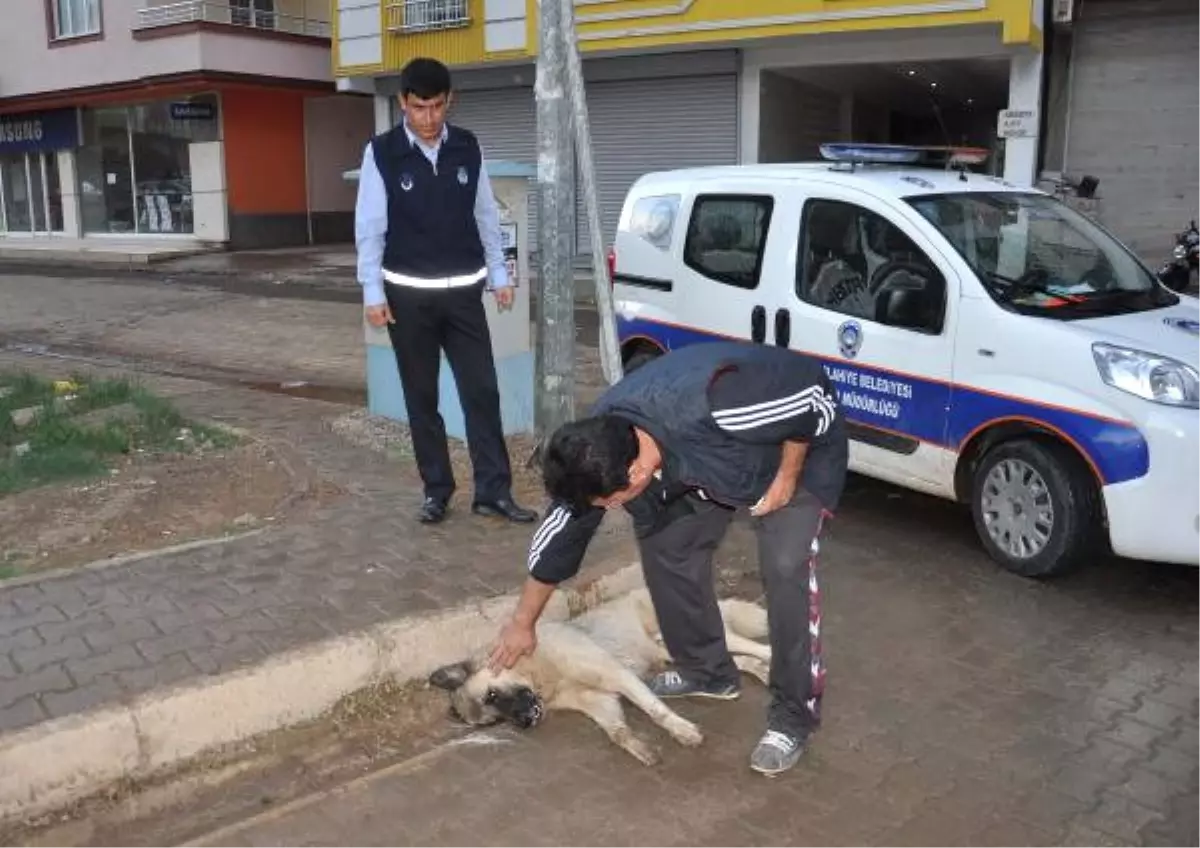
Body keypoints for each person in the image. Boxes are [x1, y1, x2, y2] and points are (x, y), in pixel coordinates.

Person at [489, 340, 849, 776]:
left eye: (610, 500)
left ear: (636, 472)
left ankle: (793, 717)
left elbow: (812, 398)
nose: (605, 509)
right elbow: (561, 538)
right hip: (704, 465)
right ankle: (708, 673)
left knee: (786, 566)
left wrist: (789, 474)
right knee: (665, 545)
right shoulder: (598, 447)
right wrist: (522, 624)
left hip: (794, 450)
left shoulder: (723, 405)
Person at [354, 57, 537, 526]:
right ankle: (437, 490)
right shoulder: (382, 153)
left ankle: (493, 492)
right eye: (419, 108)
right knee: (422, 398)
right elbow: (370, 229)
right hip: (406, 299)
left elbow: (486, 217)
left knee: (482, 392)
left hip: (463, 297)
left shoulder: (467, 148)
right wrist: (372, 293)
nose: (429, 118)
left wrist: (500, 276)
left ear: (448, 101)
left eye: (437, 106)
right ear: (403, 104)